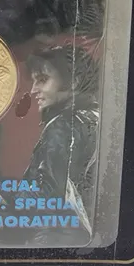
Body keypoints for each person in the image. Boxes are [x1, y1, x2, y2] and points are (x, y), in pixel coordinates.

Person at [25, 45, 101, 216]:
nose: (33, 90)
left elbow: (47, 197)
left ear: (74, 81)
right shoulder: (96, 118)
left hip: (55, 229)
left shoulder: (63, 125)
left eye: (42, 79)